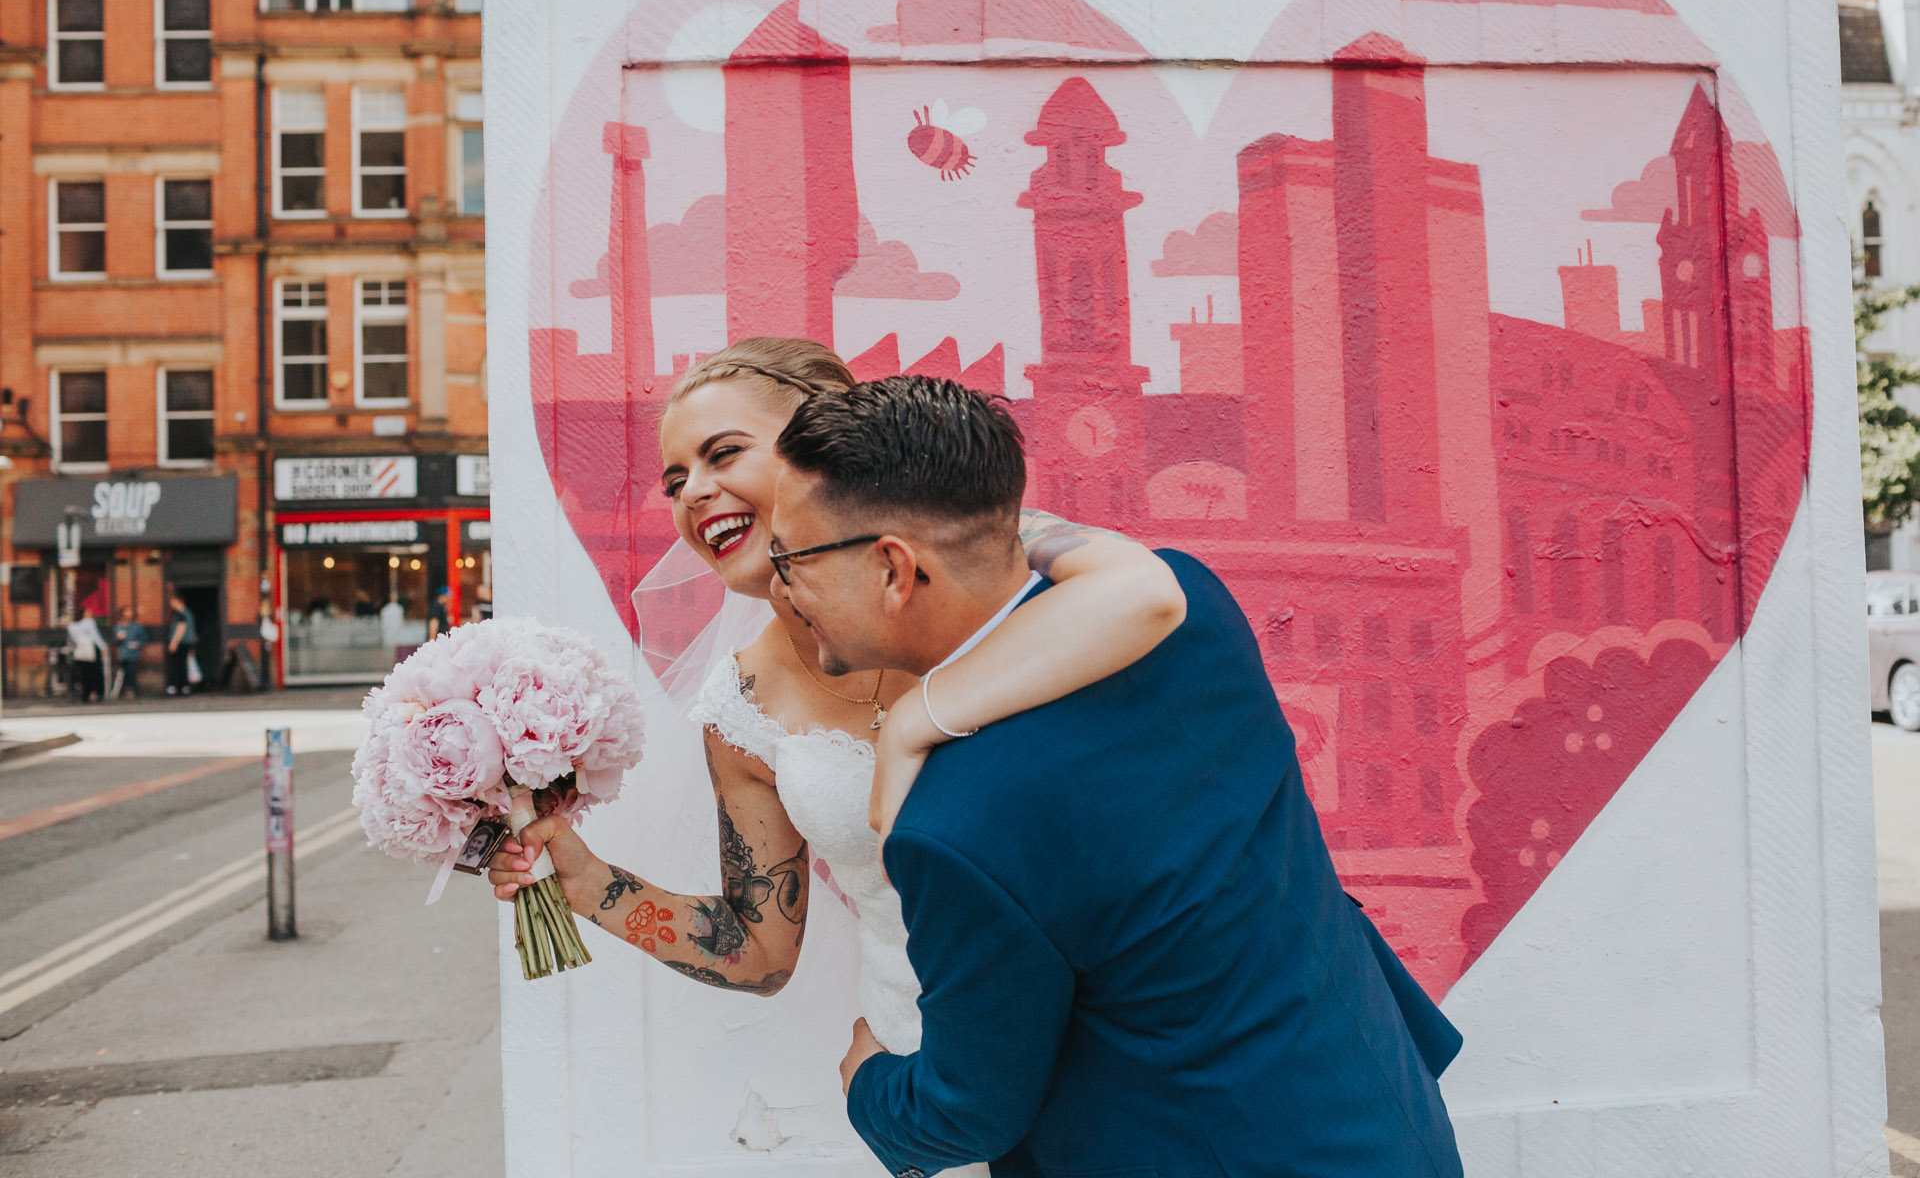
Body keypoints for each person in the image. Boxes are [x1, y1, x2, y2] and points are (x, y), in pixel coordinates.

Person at [490, 339, 1186, 1173]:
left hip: (1114, 1046)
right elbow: (755, 949)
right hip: (921, 1073)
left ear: (823, 438)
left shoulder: (978, 545)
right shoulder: (740, 705)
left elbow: (1146, 594)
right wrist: (581, 878)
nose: (694, 494)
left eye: (723, 453)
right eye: (676, 481)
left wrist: (915, 721)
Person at [769, 377, 1464, 1178]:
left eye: (792, 557)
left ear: (896, 569)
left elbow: (968, 1109)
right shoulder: (1193, 608)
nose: (781, 586)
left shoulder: (955, 825)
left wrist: (870, 1085)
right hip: (1382, 1124)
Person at [66, 610, 107, 703]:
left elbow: (73, 639)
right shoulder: (89, 622)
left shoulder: (71, 626)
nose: (91, 614)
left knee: (84, 675)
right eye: (88, 612)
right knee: (95, 674)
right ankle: (96, 694)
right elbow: (95, 636)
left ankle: (85, 695)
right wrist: (102, 646)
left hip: (79, 652)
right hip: (91, 650)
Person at [164, 591, 197, 695]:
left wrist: (174, 642)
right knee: (183, 665)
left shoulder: (180, 614)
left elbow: (180, 629)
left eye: (172, 601)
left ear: (178, 601)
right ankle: (184, 686)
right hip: (187, 643)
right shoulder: (188, 613)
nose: (171, 604)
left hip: (180, 643)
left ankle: (177, 686)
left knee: (177, 665)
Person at [112, 607, 147, 699]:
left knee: (131, 672)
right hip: (122, 653)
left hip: (133, 654)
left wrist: (138, 644)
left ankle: (130, 690)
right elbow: (115, 641)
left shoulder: (136, 626)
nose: (128, 614)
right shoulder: (118, 626)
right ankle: (122, 690)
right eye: (127, 612)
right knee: (123, 673)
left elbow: (143, 638)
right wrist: (118, 639)